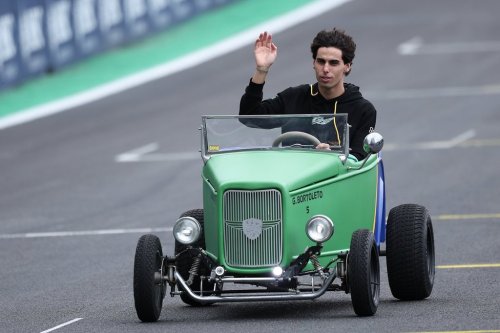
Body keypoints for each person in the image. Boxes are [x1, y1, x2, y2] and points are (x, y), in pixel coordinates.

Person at [239, 29, 377, 160]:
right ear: (314, 63)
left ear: (347, 66)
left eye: (333, 63)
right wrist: (261, 70)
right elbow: (249, 116)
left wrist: (333, 158)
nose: (326, 69)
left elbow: (360, 159)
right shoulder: (294, 97)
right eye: (321, 61)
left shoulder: (363, 110)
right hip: (291, 179)